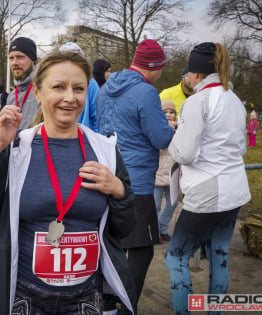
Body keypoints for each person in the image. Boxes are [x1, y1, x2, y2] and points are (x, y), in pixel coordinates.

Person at [0, 51, 137, 315]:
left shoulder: (106, 151)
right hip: (24, 297)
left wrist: (120, 192)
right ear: (38, 93)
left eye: (78, 88)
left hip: (87, 299)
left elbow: (123, 229)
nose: (70, 97)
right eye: (59, 87)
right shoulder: (16, 150)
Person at [165, 42, 251, 315]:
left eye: (188, 72)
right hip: (235, 189)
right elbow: (242, 148)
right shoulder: (235, 100)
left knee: (175, 257)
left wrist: (173, 140)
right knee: (219, 253)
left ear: (198, 73)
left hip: (206, 192)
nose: (186, 77)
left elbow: (185, 154)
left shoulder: (197, 101)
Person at [96, 39, 174, 301]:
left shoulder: (105, 89)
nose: (161, 72)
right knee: (142, 250)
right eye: (161, 67)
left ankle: (108, 300)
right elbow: (160, 138)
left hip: (109, 174)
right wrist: (173, 129)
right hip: (138, 182)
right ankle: (124, 303)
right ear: (153, 67)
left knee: (114, 245)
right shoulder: (146, 92)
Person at [154, 100, 178, 242]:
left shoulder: (180, 129)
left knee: (173, 203)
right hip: (158, 171)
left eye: (171, 112)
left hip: (173, 171)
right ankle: (154, 231)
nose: (168, 115)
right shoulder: (157, 128)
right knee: (155, 205)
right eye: (165, 112)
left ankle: (162, 228)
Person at [6, 36, 40, 131]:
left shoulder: (44, 90)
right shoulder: (11, 96)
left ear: (33, 60)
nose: (14, 63)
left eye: (20, 57)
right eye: (11, 58)